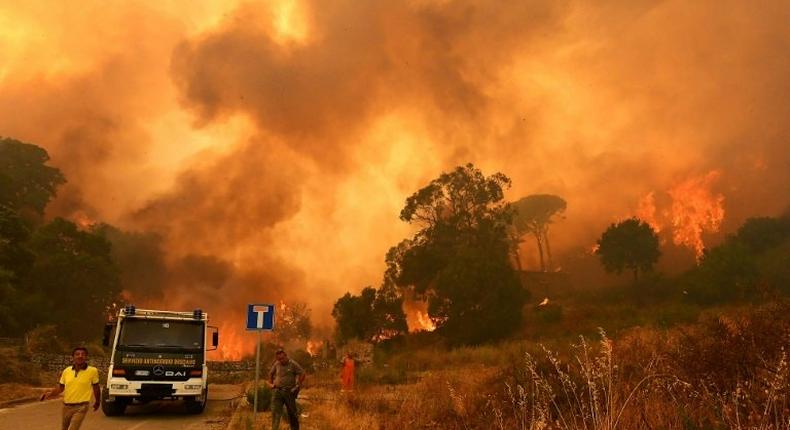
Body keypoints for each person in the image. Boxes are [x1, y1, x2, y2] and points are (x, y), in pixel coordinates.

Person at [40, 347, 101, 430]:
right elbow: (61, 388)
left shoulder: (92, 371)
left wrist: (97, 401)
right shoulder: (67, 371)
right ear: (73, 357)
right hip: (66, 406)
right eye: (77, 354)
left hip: (82, 406)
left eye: (83, 354)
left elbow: (96, 387)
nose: (80, 356)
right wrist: (50, 394)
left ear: (86, 357)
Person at [268, 348, 305, 430]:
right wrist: (270, 384)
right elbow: (270, 373)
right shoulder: (277, 364)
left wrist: (298, 385)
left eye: (282, 358)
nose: (281, 360)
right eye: (279, 359)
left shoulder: (293, 364)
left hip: (289, 392)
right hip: (277, 391)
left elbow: (302, 373)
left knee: (292, 413)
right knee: (275, 412)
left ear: (285, 356)